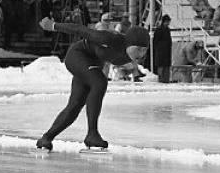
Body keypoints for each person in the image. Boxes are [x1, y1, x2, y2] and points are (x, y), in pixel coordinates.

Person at [35, 16, 150, 151]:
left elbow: (121, 62)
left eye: (144, 49)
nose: (141, 54)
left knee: (75, 105)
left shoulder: (132, 55)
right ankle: (92, 134)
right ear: (128, 44)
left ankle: (46, 138)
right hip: (77, 56)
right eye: (138, 49)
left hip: (92, 65)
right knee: (100, 82)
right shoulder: (109, 39)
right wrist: (53, 25)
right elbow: (80, 29)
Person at [153, 15, 172, 83]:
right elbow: (155, 41)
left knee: (166, 68)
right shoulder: (159, 30)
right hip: (161, 52)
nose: (168, 23)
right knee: (161, 68)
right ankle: (161, 81)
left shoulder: (167, 30)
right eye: (167, 22)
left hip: (166, 52)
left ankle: (166, 80)